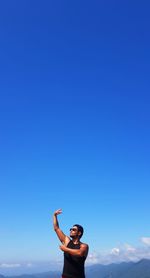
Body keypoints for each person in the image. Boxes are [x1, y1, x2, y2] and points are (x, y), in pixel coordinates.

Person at [53, 208, 89, 278]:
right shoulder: (67, 241)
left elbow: (80, 253)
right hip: (65, 276)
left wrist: (65, 249)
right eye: (71, 229)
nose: (71, 230)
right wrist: (54, 216)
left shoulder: (84, 246)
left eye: (74, 229)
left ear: (79, 233)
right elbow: (56, 228)